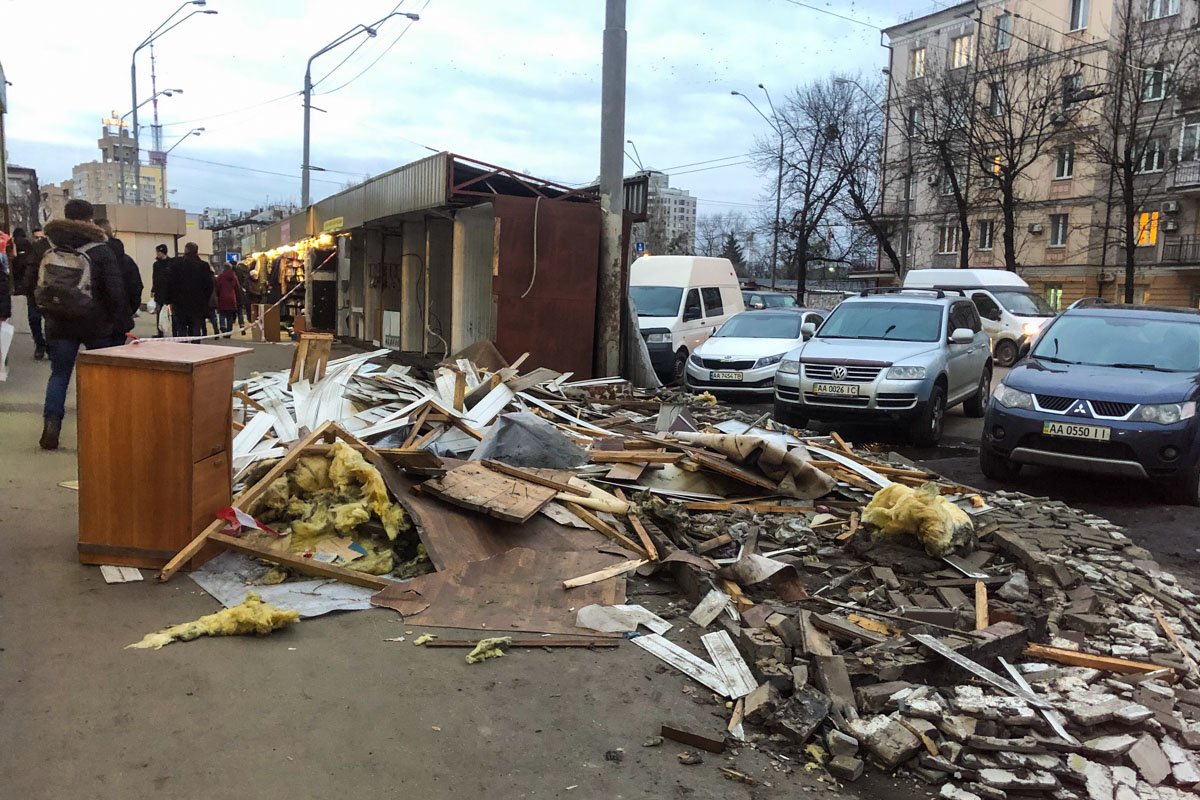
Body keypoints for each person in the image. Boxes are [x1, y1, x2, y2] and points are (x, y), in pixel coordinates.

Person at [37, 199, 130, 450]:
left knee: (59, 375)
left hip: (58, 322)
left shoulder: (49, 244)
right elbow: (115, 291)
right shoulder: (101, 249)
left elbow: (33, 286)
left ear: (66, 216)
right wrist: (113, 319)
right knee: (99, 378)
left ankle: (51, 425)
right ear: (90, 219)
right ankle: (100, 429)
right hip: (95, 323)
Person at [96, 219, 142, 345]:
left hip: (94, 320)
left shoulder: (88, 257)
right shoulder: (127, 261)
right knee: (116, 354)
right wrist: (128, 310)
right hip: (120, 318)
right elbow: (136, 288)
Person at [163, 242, 213, 340]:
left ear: (185, 250)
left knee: (181, 328)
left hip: (179, 303)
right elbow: (209, 286)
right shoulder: (203, 266)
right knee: (195, 328)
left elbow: (170, 282)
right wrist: (205, 299)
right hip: (197, 304)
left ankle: (183, 350)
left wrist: (168, 299)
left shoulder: (177, 264)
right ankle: (195, 349)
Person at [151, 244, 175, 336]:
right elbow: (155, 278)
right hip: (159, 292)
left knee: (172, 313)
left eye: (158, 252)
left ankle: (174, 332)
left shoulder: (171, 263)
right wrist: (153, 289)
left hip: (170, 292)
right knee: (159, 311)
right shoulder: (156, 264)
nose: (157, 254)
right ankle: (160, 332)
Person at [215, 262, 241, 337]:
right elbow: (237, 288)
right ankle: (228, 332)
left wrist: (217, 295)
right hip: (232, 298)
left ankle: (223, 326)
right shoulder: (234, 277)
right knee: (230, 316)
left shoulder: (220, 276)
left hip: (222, 297)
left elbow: (218, 287)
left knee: (222, 314)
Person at [233, 259, 253, 332]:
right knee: (240, 311)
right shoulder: (246, 271)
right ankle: (242, 325)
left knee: (233, 310)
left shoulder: (234, 272)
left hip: (233, 294)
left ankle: (232, 323)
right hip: (241, 293)